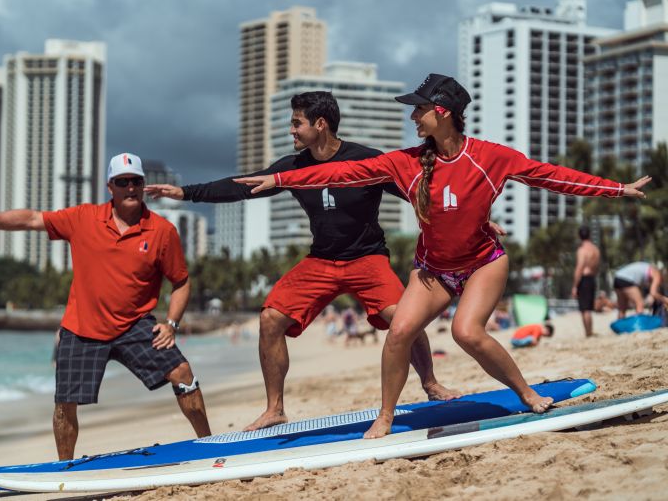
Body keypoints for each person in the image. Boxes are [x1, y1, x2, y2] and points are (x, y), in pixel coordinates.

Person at [235, 73, 650, 438]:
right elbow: (341, 172)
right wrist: (280, 178)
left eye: (419, 110)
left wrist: (618, 189)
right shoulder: (406, 163)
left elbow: (551, 176)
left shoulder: (490, 158)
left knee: (466, 333)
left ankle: (526, 393)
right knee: (399, 332)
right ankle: (385, 415)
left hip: (483, 263)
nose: (413, 118)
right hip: (432, 269)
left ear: (442, 111)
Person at [146, 91, 462, 432]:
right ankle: (275, 409)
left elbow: (418, 192)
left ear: (320, 124)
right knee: (270, 319)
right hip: (321, 261)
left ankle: (430, 382)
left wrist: (471, 218)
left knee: (404, 319)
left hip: (367, 258)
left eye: (297, 123)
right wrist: (187, 193)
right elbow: (243, 186)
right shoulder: (294, 166)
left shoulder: (366, 160)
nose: (292, 130)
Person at [0, 153, 211, 459]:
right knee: (64, 404)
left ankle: (210, 447)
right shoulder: (83, 218)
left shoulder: (162, 231)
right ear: (110, 186)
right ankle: (65, 469)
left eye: (136, 181)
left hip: (135, 325)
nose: (130, 187)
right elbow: (30, 219)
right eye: (123, 182)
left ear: (143, 184)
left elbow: (181, 282)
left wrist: (171, 324)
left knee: (183, 373)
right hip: (82, 327)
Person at [572, 225, 601, 337]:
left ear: (579, 236)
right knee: (589, 307)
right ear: (589, 235)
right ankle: (590, 331)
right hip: (592, 278)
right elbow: (597, 267)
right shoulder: (596, 250)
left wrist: (575, 286)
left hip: (584, 279)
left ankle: (588, 333)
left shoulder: (582, 250)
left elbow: (580, 267)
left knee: (584, 309)